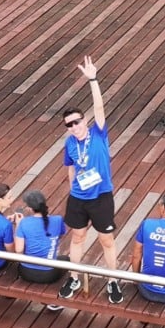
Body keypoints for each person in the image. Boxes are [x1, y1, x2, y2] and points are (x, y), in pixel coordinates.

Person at [59, 57, 123, 305]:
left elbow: (99, 107)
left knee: (106, 240)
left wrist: (93, 80)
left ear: (84, 121)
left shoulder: (98, 133)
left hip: (101, 196)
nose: (74, 126)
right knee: (77, 238)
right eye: (69, 124)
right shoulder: (69, 143)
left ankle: (112, 280)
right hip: (79, 198)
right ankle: (74, 277)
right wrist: (73, 189)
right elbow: (71, 167)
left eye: (77, 121)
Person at [14, 190, 68, 308]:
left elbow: (18, 250)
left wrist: (18, 225)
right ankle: (57, 297)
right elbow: (61, 233)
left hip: (26, 272)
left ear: (29, 208)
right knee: (65, 259)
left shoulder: (24, 223)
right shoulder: (58, 220)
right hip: (49, 274)